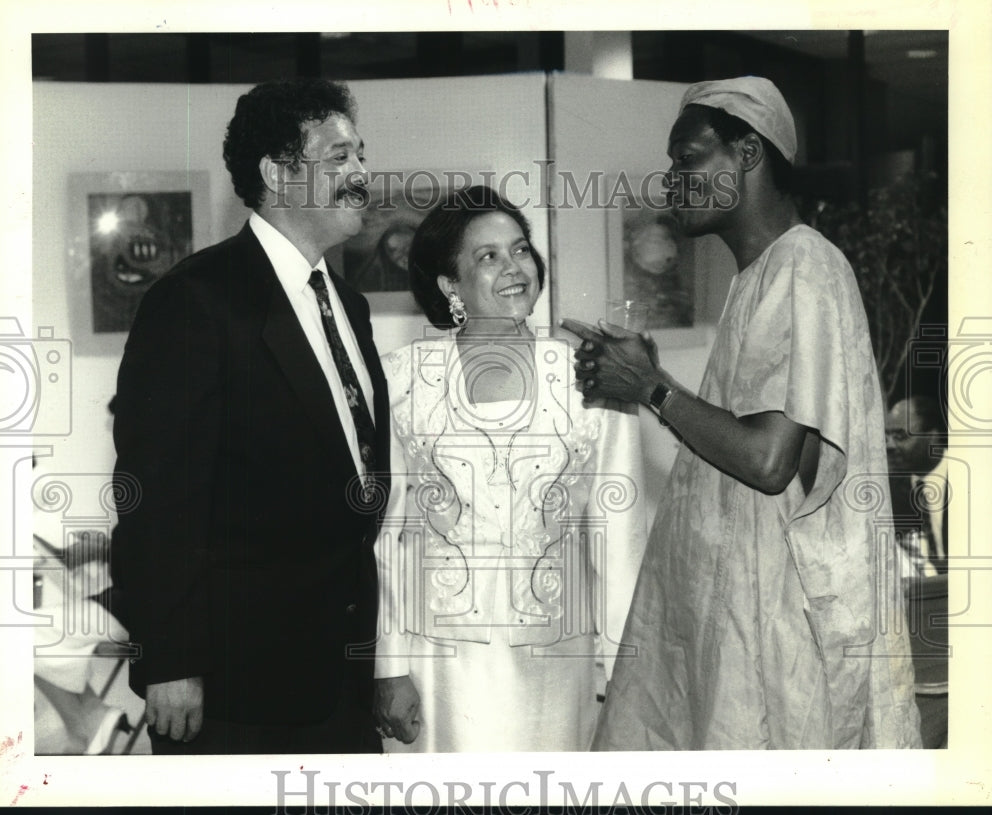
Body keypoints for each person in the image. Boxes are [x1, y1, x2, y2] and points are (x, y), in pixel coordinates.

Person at [563, 76, 921, 749]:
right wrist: (643, 378)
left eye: (688, 159)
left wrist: (653, 388)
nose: (673, 181)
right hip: (742, 623)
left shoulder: (805, 268)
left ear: (748, 153)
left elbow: (767, 458)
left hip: (778, 633)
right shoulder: (759, 276)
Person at [110, 78, 389, 754]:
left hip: (339, 683)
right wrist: (169, 659)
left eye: (360, 154)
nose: (360, 173)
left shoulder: (347, 304)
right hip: (236, 694)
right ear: (277, 174)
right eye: (339, 157)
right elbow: (156, 499)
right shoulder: (194, 300)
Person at [372, 186, 646, 751]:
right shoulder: (401, 379)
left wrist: (623, 671)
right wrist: (387, 666)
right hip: (436, 667)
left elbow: (620, 542)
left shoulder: (594, 376)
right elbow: (388, 539)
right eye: (488, 256)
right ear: (450, 285)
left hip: (555, 664)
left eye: (520, 250)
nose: (514, 267)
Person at [886, 395, 949, 577]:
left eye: (900, 436)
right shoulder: (888, 491)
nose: (889, 445)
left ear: (933, 436)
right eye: (886, 436)